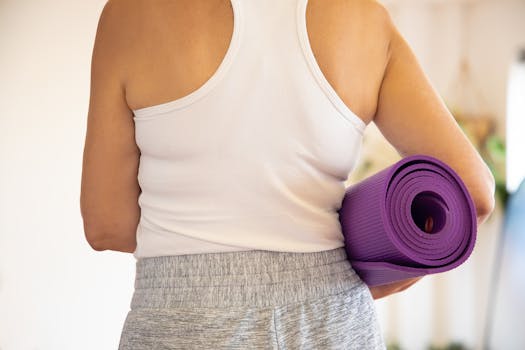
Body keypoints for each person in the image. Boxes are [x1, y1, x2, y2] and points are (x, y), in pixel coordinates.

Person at [80, 0, 496, 349]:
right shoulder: (361, 17)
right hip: (333, 320)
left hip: (179, 319)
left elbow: (107, 225)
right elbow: (474, 194)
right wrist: (370, 275)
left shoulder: (130, 14)